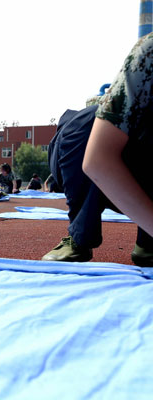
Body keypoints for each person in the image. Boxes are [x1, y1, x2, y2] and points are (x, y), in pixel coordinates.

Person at [43, 33, 153, 265]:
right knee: (90, 126)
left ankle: (149, 240)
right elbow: (98, 160)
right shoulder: (150, 53)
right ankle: (79, 236)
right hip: (82, 149)